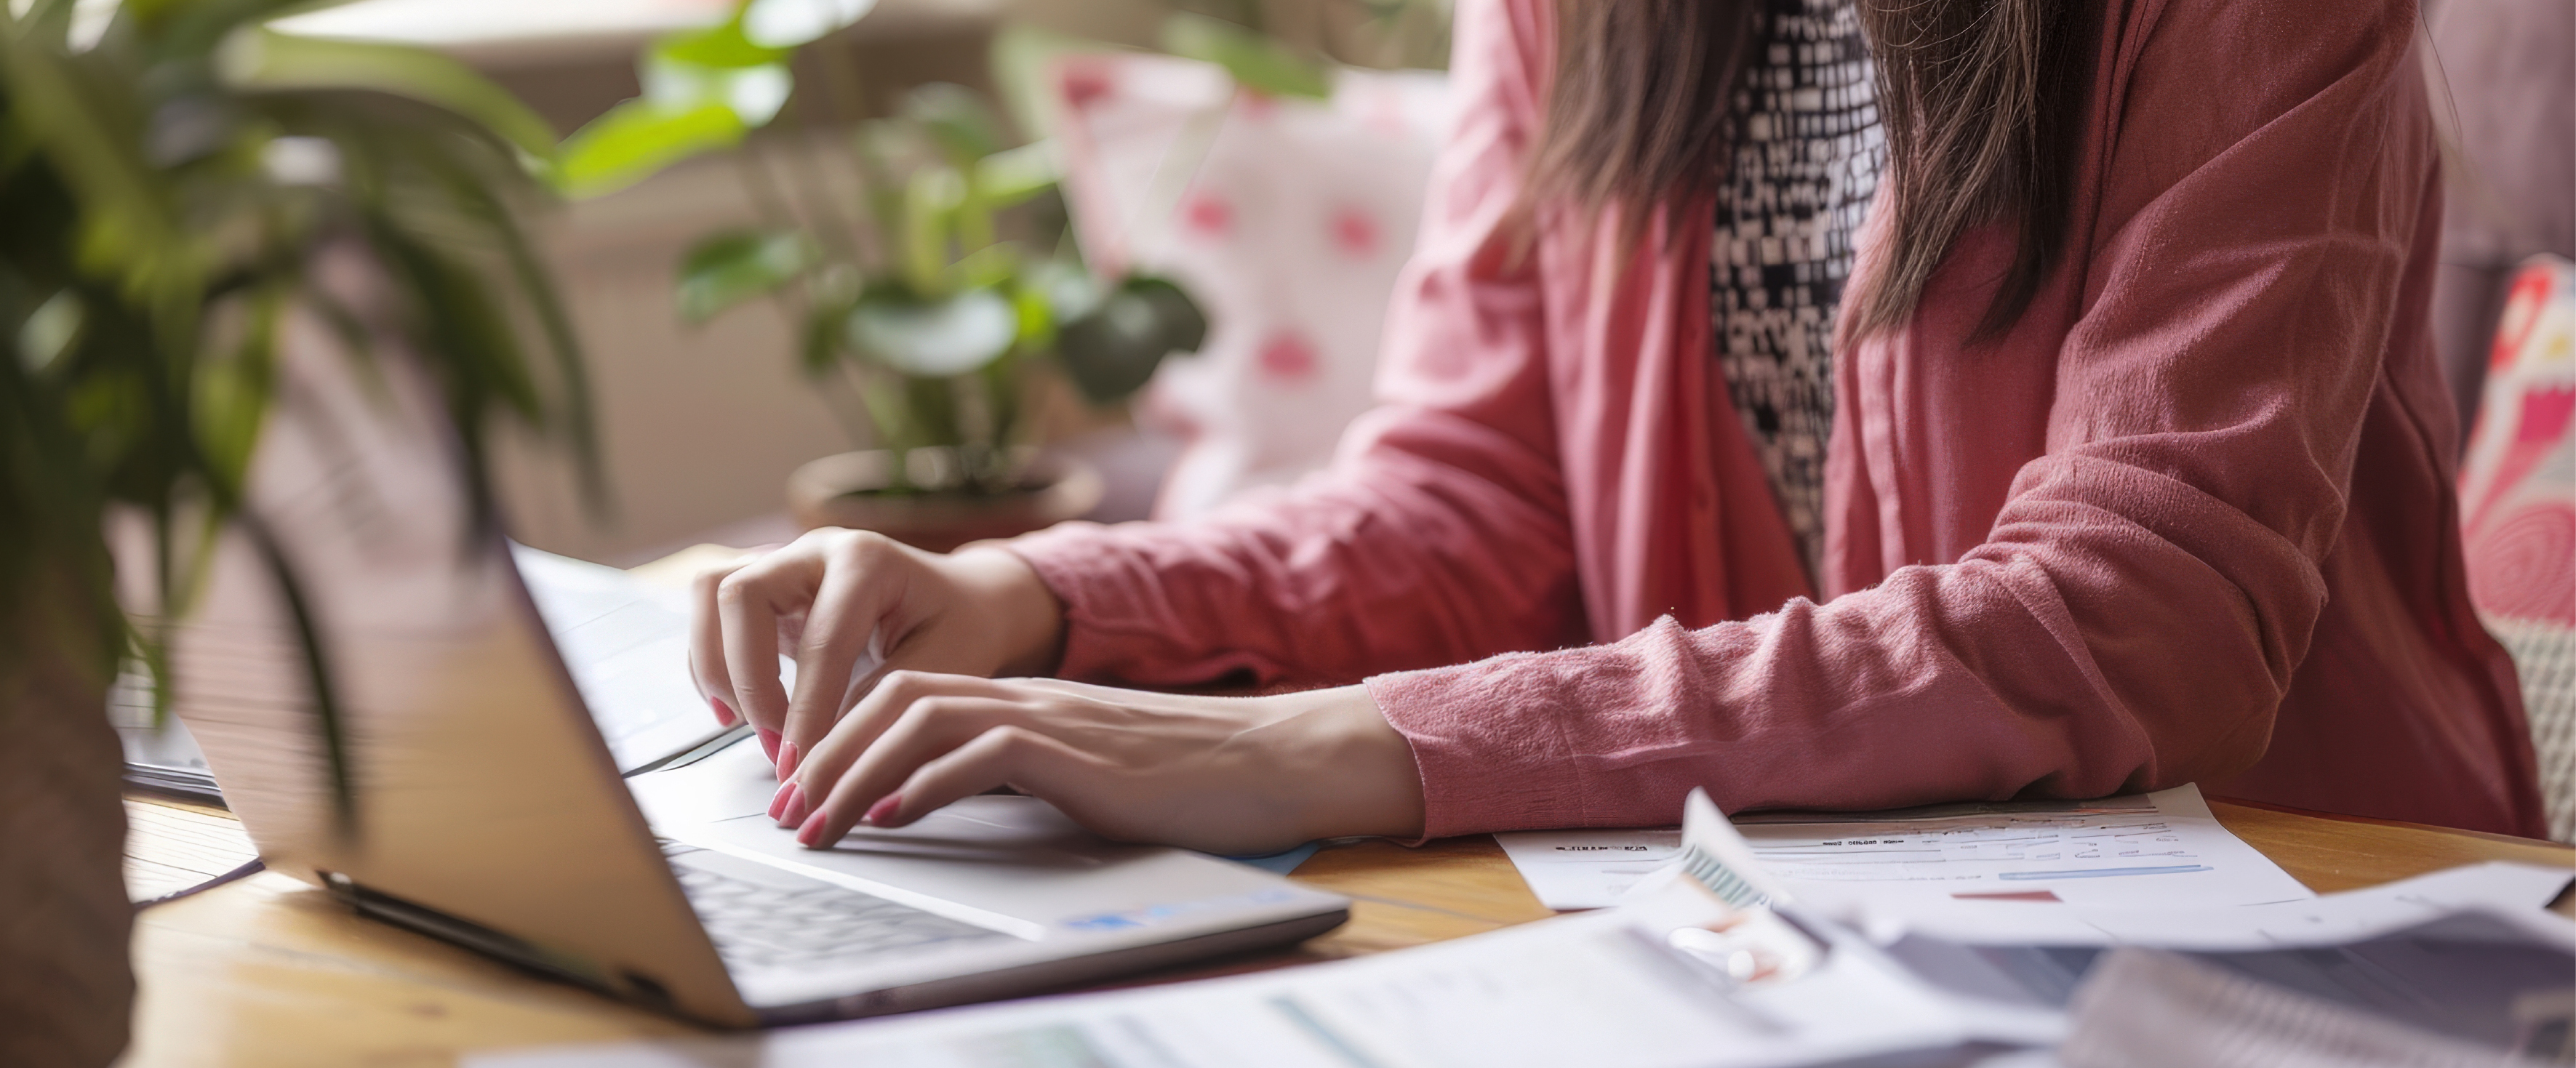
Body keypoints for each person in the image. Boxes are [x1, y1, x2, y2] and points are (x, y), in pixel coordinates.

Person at [692, 0, 2550, 857]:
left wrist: (1340, 747)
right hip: (1791, 906)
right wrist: (1029, 599)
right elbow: (1470, 496)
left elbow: (2133, 616)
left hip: (2304, 911)